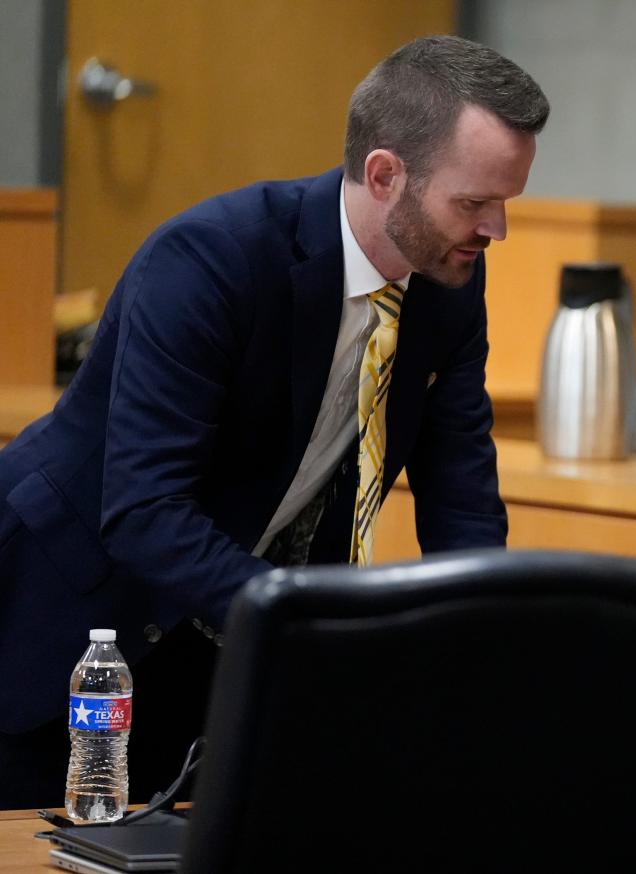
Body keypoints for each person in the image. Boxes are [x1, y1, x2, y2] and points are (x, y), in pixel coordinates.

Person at [0, 35, 548, 809]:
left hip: (220, 634)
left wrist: (473, 640)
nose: (497, 229)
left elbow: (461, 496)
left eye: (506, 201)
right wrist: (312, 629)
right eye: (474, 202)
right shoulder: (212, 260)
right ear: (386, 175)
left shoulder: (449, 283)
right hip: (66, 618)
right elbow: (145, 509)